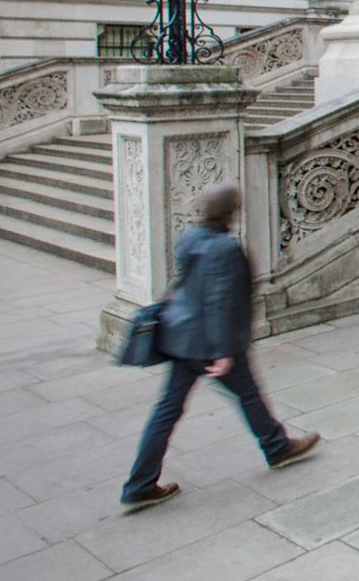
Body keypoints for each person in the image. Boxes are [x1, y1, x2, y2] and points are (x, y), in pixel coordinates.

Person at [121, 182, 319, 511]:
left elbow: (187, 286)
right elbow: (219, 302)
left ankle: (140, 482)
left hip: (181, 337)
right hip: (210, 342)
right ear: (232, 213)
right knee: (248, 394)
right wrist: (223, 351)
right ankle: (277, 446)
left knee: (166, 411)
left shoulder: (190, 238)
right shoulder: (226, 248)